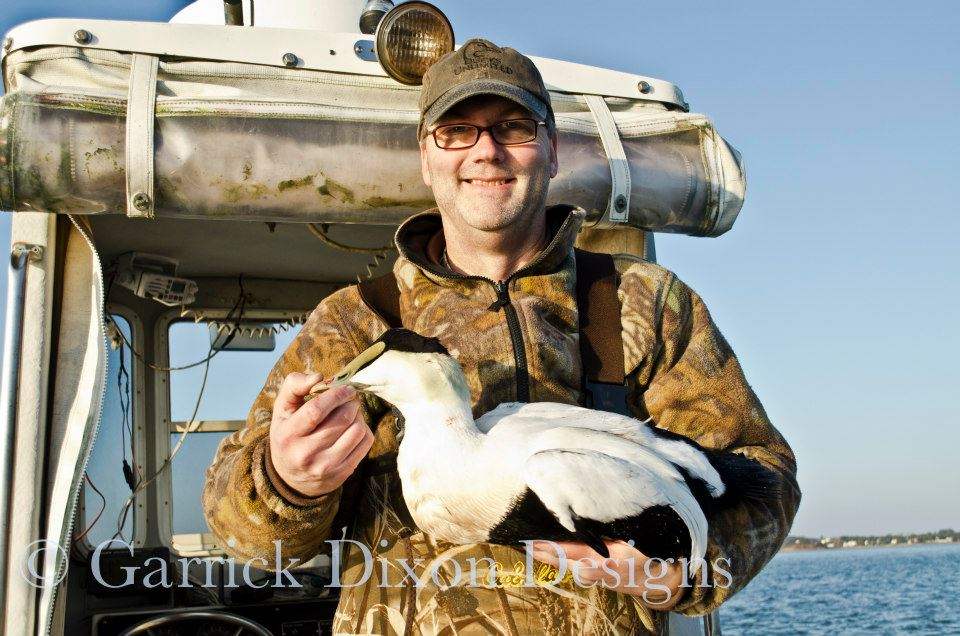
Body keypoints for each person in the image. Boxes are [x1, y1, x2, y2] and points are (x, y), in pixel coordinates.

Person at [203, 38, 800, 635]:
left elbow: (762, 476)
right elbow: (239, 529)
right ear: (426, 157)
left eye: (514, 127)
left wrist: (680, 572)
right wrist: (288, 480)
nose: (487, 151)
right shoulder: (355, 323)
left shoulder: (643, 303)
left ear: (552, 149)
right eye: (457, 130)